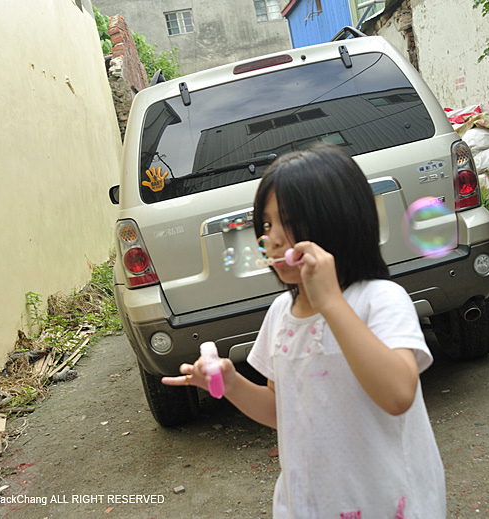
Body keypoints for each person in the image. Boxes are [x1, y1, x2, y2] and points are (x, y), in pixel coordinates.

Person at [163, 143, 446, 518]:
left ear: (340, 220)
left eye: (291, 221)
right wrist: (230, 384)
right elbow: (283, 412)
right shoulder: (282, 312)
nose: (273, 238)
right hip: (309, 505)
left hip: (388, 503)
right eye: (266, 225)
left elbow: (397, 394)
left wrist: (330, 302)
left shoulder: (380, 300)